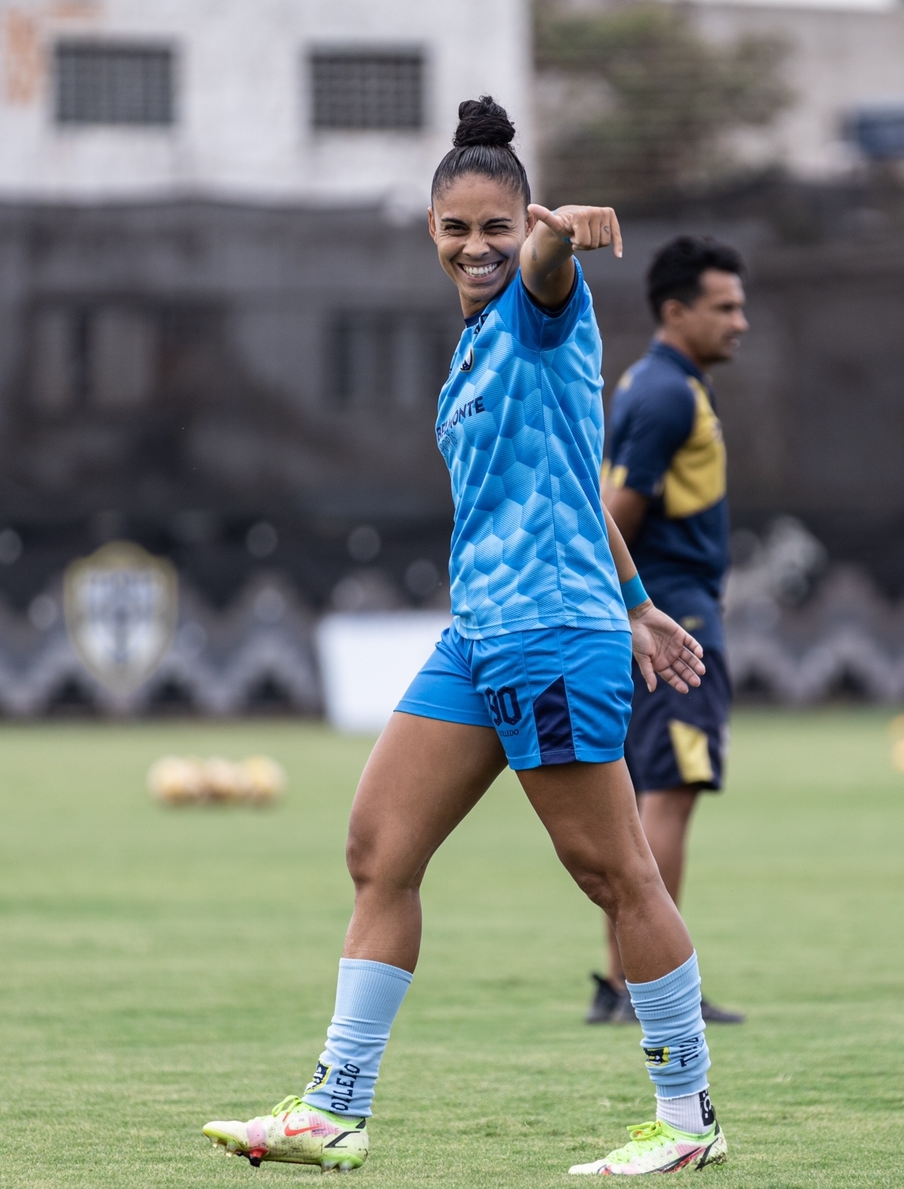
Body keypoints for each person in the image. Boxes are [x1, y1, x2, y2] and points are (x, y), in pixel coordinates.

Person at [203, 97, 728, 1176]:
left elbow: (544, 269)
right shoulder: (475, 346)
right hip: (484, 635)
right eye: (458, 229)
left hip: (545, 638)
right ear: (430, 234)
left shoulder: (541, 304)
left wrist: (553, 234)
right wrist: (634, 601)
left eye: (497, 225)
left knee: (616, 876)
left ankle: (687, 1121)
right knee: (377, 851)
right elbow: (572, 486)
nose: (478, 247)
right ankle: (334, 1109)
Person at [587, 237, 748, 1027]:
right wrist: (629, 608)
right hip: (674, 622)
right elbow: (616, 512)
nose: (740, 322)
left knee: (650, 797)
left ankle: (627, 985)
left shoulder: (658, 383)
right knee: (669, 796)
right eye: (725, 307)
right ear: (676, 311)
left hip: (665, 614)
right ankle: (638, 989)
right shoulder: (666, 395)